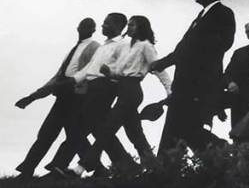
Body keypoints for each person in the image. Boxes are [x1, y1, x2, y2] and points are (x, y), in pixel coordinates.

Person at [150, 0, 236, 158]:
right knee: (175, 128)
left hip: (200, 84)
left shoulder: (224, 13)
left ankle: (223, 154)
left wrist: (169, 61)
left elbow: (224, 43)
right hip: (185, 83)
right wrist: (162, 63)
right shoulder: (201, 16)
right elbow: (183, 49)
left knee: (188, 129)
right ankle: (163, 172)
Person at [13, 18, 100, 178]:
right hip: (63, 96)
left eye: (89, 27)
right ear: (78, 27)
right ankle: (27, 170)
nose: (85, 29)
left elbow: (91, 73)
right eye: (83, 25)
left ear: (93, 30)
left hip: (78, 98)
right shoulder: (74, 49)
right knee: (50, 134)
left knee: (72, 136)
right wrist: (33, 96)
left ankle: (96, 167)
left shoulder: (95, 48)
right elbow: (58, 77)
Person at [46, 13, 131, 177]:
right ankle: (125, 165)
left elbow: (123, 70)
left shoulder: (123, 45)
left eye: (107, 23)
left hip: (105, 88)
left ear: (118, 25)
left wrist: (110, 74)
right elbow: (88, 69)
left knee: (78, 126)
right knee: (100, 130)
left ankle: (58, 166)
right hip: (92, 88)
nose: (102, 26)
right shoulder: (103, 46)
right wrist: (71, 81)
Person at [87, 15, 173, 170]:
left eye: (132, 25)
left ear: (141, 28)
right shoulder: (127, 47)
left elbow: (158, 68)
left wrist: (169, 90)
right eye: (128, 25)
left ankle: (83, 165)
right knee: (135, 134)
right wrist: (109, 72)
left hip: (132, 91)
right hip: (123, 89)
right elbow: (121, 73)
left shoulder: (146, 46)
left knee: (109, 126)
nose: (129, 28)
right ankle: (154, 167)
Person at [223, 21, 249, 129]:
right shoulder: (239, 52)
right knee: (238, 130)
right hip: (239, 96)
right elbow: (228, 73)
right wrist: (230, 83)